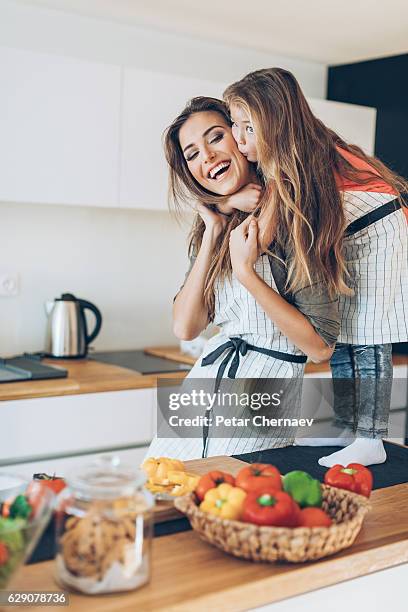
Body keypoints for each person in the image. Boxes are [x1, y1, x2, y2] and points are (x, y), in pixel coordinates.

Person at [223, 67, 408, 466]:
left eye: (248, 127)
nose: (238, 139)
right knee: (344, 332)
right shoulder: (288, 155)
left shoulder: (294, 159)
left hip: (381, 227)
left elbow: (262, 235)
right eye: (234, 124)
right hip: (354, 230)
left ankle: (371, 439)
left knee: (369, 332)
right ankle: (347, 426)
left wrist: (227, 205)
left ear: (276, 123)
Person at [145, 96, 341, 461]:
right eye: (191, 154)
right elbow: (186, 327)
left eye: (215, 137)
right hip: (206, 378)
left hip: (266, 386)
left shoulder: (292, 218)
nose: (206, 156)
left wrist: (246, 274)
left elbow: (319, 348)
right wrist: (214, 229)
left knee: (232, 497)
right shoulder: (213, 224)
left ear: (242, 136)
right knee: (161, 490)